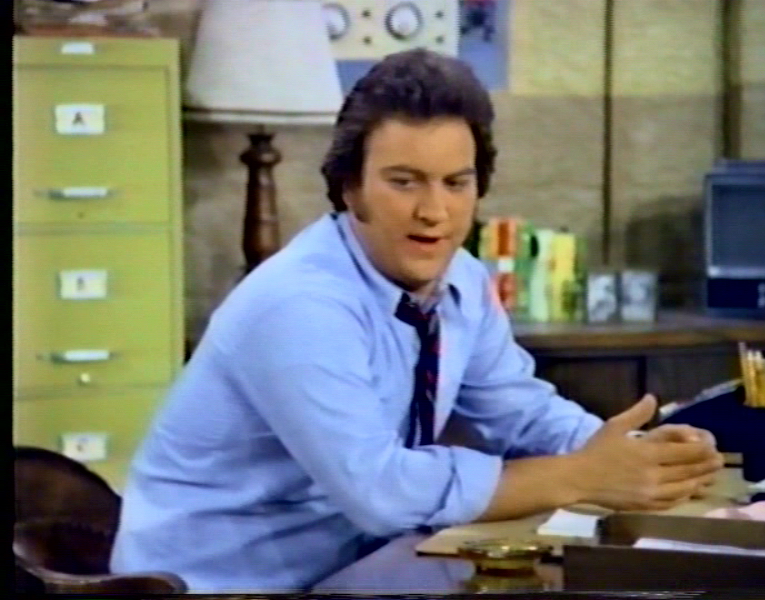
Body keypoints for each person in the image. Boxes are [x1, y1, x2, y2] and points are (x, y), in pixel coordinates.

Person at [110, 48, 722, 592]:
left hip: (354, 563)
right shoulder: (299, 304)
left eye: (456, 183)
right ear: (349, 189)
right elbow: (380, 491)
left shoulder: (463, 280)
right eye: (404, 182)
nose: (434, 211)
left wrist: (639, 456)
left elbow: (518, 411)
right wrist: (578, 476)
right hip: (223, 582)